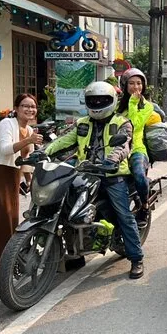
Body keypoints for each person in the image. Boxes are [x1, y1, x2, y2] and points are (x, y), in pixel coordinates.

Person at [46, 82, 145, 279]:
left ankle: (137, 258)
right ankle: (75, 255)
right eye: (93, 100)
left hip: (112, 175)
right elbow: (63, 141)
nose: (98, 103)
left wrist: (112, 160)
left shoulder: (122, 122)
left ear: (112, 101)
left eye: (102, 100)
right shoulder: (82, 123)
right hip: (85, 173)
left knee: (124, 216)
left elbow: (123, 145)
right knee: (67, 211)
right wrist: (43, 151)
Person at [0, 94, 42, 292]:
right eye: (25, 106)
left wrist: (29, 181)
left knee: (6, 224)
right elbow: (5, 150)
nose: (29, 109)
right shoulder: (7, 124)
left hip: (12, 179)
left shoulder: (29, 130)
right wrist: (29, 140)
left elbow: (26, 160)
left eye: (32, 106)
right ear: (16, 108)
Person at [116, 68, 161, 227]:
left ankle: (144, 206)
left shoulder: (147, 106)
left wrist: (133, 102)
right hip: (115, 149)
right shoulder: (117, 106)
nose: (136, 87)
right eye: (131, 83)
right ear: (124, 86)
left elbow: (135, 124)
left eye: (139, 83)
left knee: (140, 176)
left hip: (136, 149)